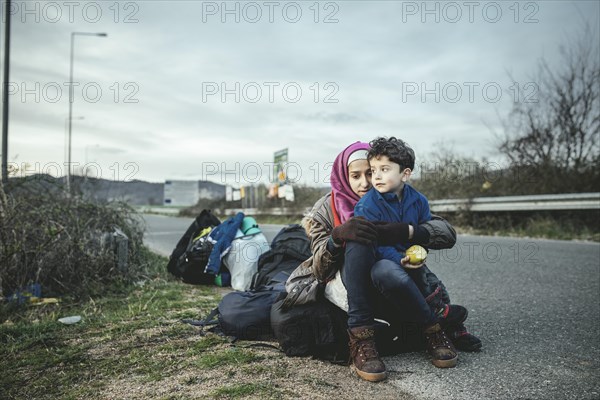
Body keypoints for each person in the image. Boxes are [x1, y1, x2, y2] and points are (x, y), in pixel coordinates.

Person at [285, 141, 480, 382]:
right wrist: (336, 238)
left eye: (371, 172)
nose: (366, 182)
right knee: (359, 234)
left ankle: (433, 327)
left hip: (392, 277)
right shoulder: (326, 208)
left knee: (385, 268)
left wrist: (406, 232)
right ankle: (362, 336)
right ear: (343, 177)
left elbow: (445, 232)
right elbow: (318, 268)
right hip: (349, 286)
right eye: (355, 176)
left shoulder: (393, 194)